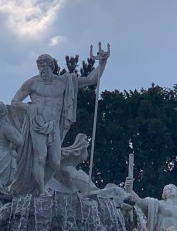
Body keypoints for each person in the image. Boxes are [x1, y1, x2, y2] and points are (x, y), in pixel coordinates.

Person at [9, 48, 109, 195]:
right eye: (39, 67)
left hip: (54, 125)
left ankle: (39, 187)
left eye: (44, 66)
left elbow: (90, 79)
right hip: (37, 124)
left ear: (52, 66)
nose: (42, 70)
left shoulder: (64, 82)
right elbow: (15, 102)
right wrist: (29, 108)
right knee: (40, 157)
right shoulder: (31, 83)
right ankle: (42, 190)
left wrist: (102, 63)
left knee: (55, 162)